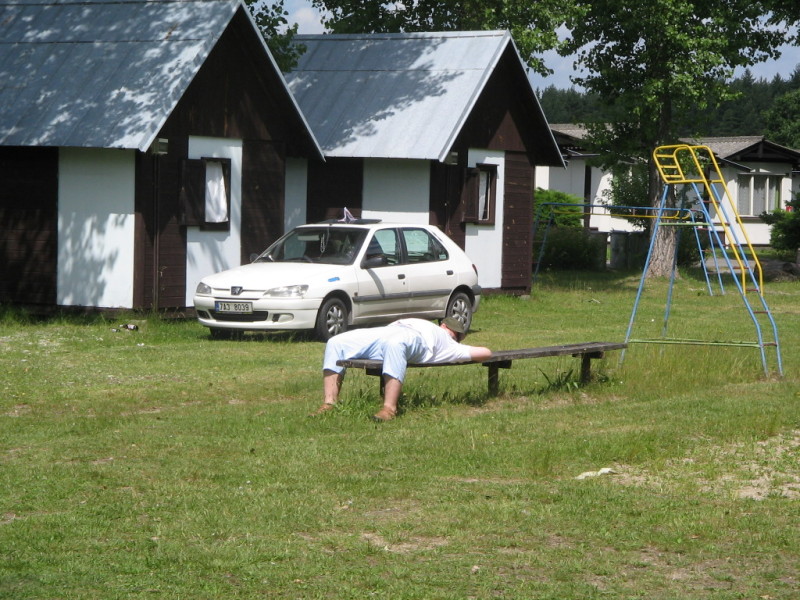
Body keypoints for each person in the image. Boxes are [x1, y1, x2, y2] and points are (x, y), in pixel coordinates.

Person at [313, 317, 492, 422]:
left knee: (396, 344)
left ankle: (389, 408)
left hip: (415, 339)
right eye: (455, 334)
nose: (454, 337)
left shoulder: (450, 345)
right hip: (386, 331)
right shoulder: (431, 325)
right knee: (336, 342)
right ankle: (329, 403)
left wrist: (460, 346)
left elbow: (486, 352)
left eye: (457, 337)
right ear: (443, 325)